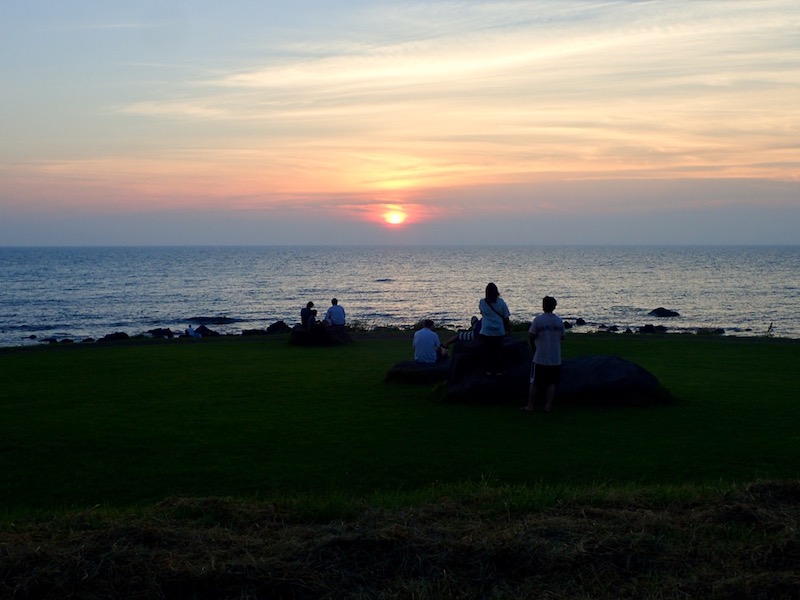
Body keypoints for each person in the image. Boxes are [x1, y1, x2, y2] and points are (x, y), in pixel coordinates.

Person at [522, 296, 565, 413]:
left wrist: (534, 347)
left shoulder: (538, 320)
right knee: (551, 383)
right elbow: (562, 336)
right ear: (554, 307)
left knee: (535, 382)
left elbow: (531, 335)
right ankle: (548, 405)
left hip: (540, 356)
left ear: (543, 306)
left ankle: (530, 405)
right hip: (555, 357)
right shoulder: (559, 321)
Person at [478, 282, 510, 375]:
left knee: (488, 351)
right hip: (499, 331)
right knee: (499, 351)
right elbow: (506, 316)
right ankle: (499, 370)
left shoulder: (482, 302)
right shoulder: (501, 302)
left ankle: (488, 370)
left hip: (486, 331)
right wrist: (508, 327)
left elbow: (482, 312)